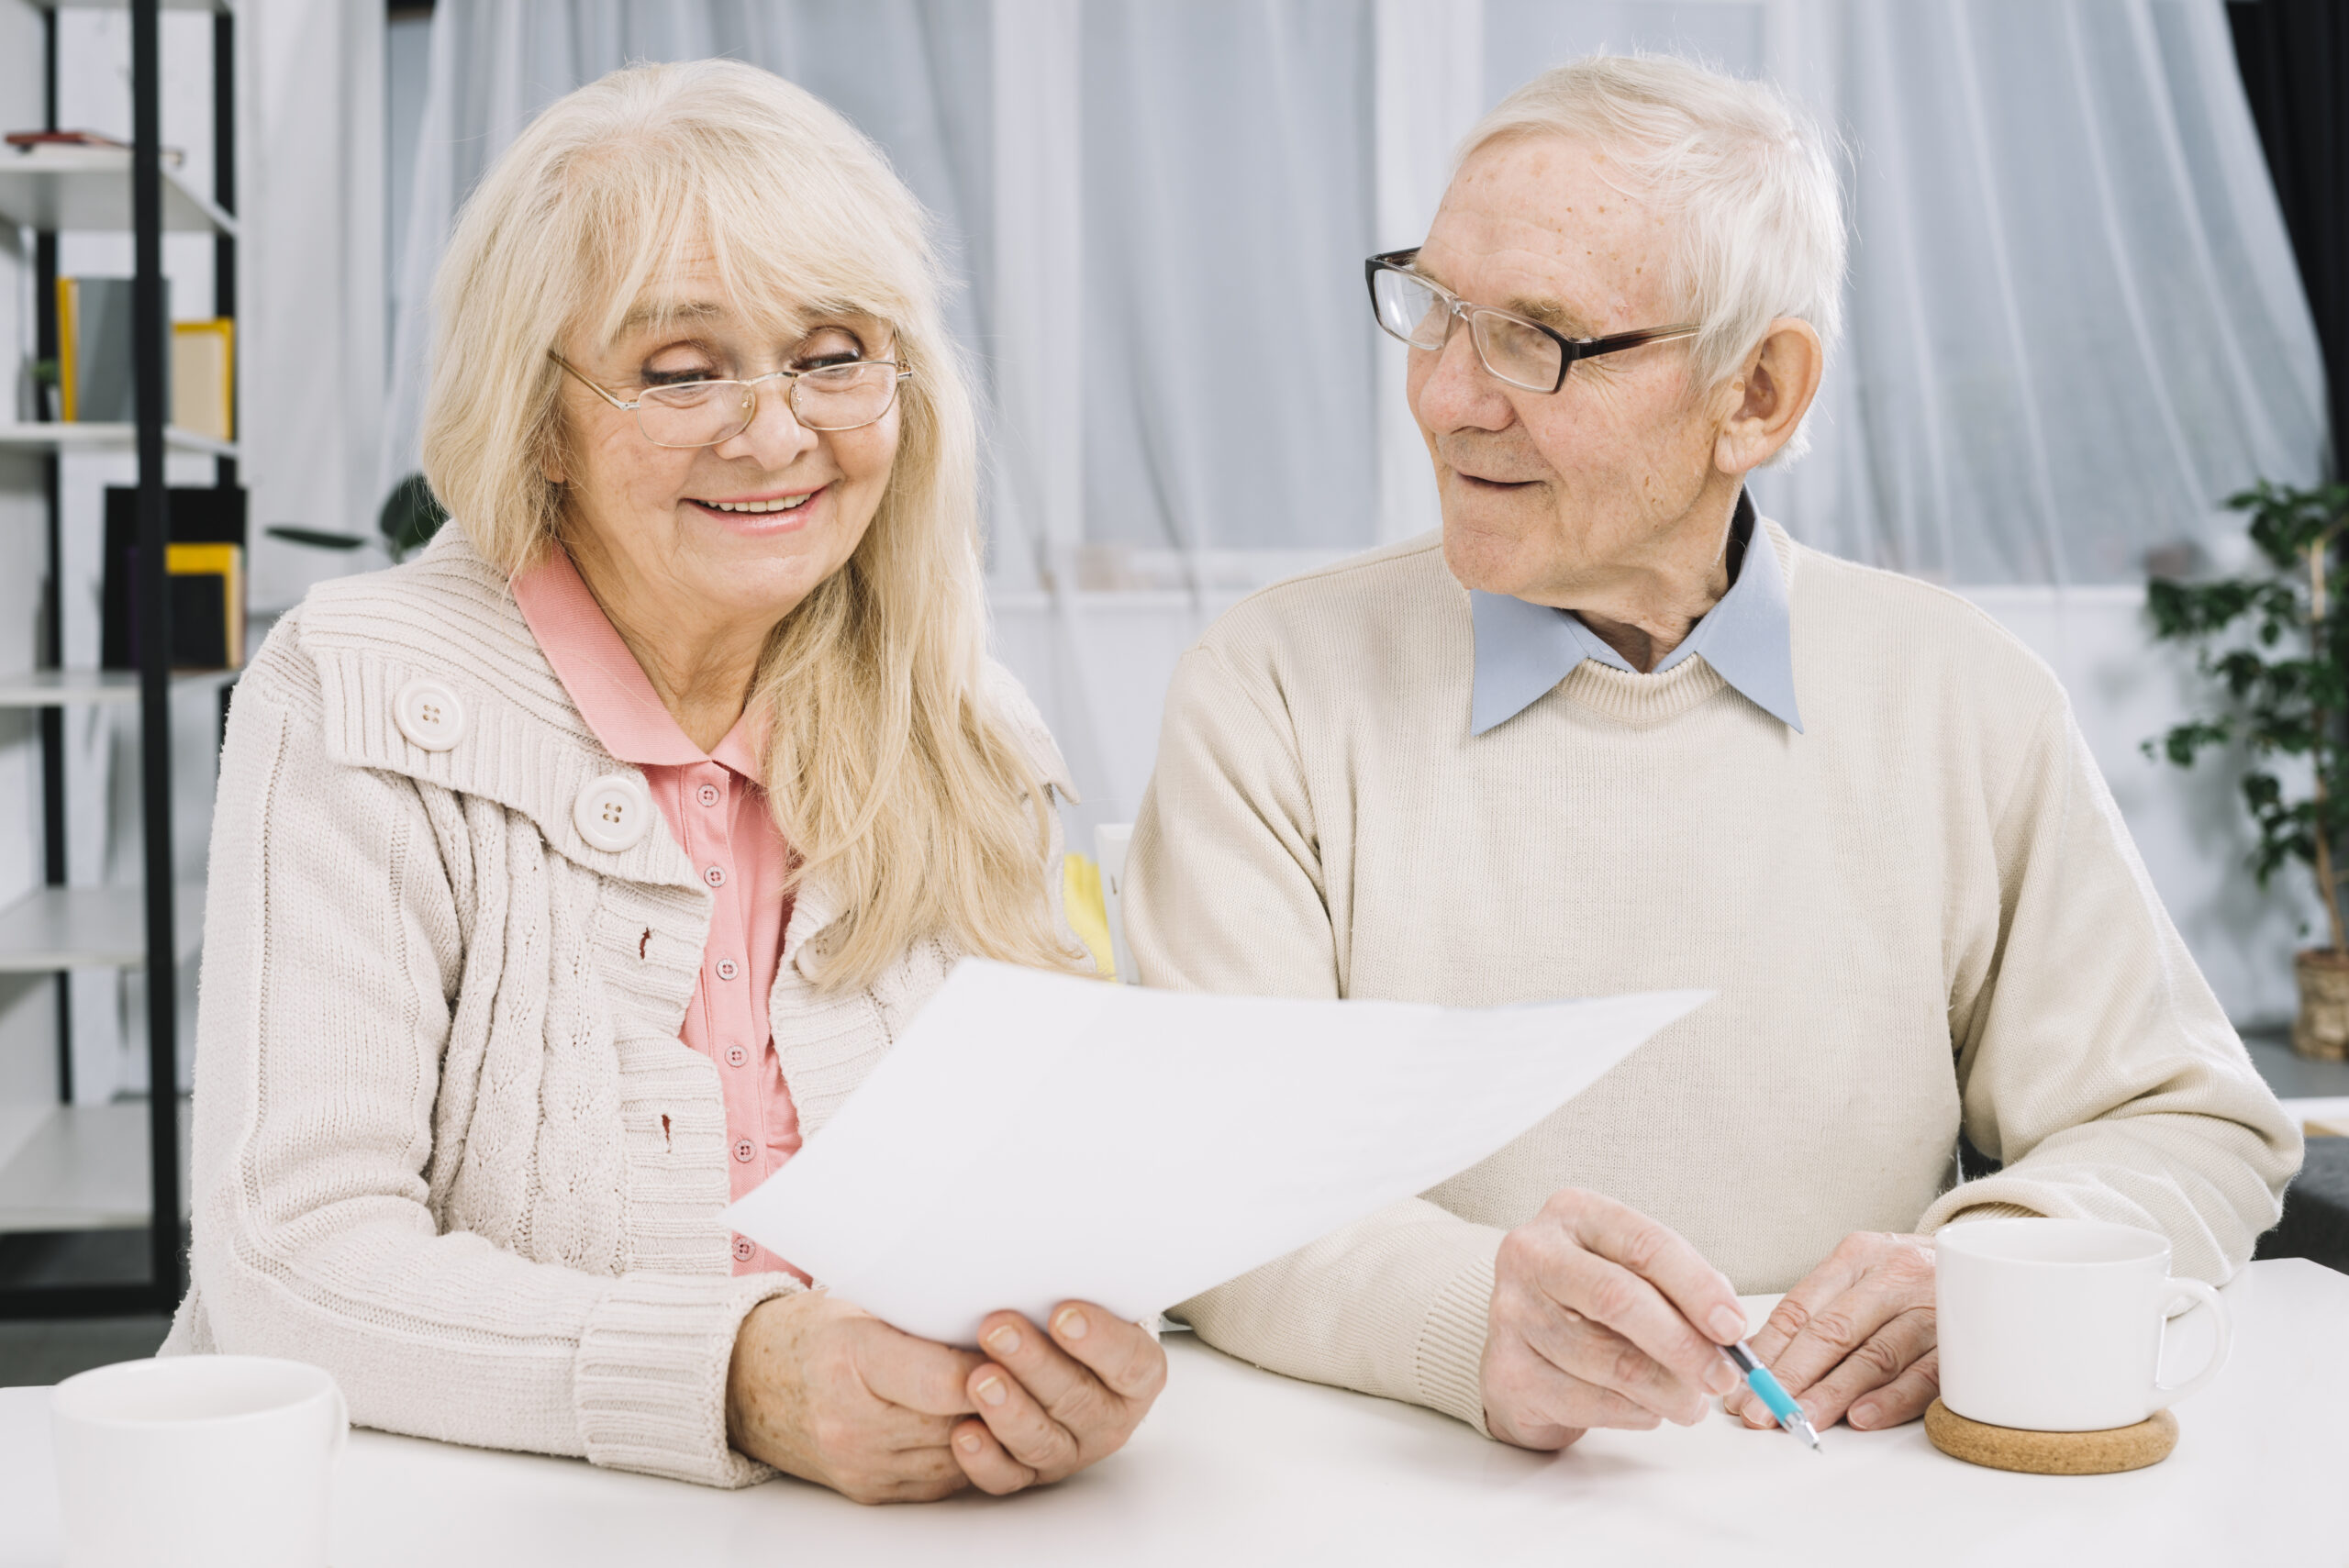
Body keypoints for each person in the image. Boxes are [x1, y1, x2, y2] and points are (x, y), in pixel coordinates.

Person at [1124, 54, 2299, 1451]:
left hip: (1858, 1501)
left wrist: (1988, 1272)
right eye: (1437, 310)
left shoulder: (1965, 696)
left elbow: (2189, 1123)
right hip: (1399, 1484)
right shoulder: (1270, 689)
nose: (1446, 396)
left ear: (1760, 393)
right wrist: (1473, 1315)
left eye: (1537, 336)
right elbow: (1222, 1178)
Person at [165, 60, 1164, 1501]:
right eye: (682, 372)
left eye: (830, 354)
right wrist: (737, 1374)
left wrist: (1065, 1348)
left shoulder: (968, 722)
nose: (774, 432)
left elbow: (1054, 1180)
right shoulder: (358, 689)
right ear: (540, 418)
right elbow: (295, 1259)